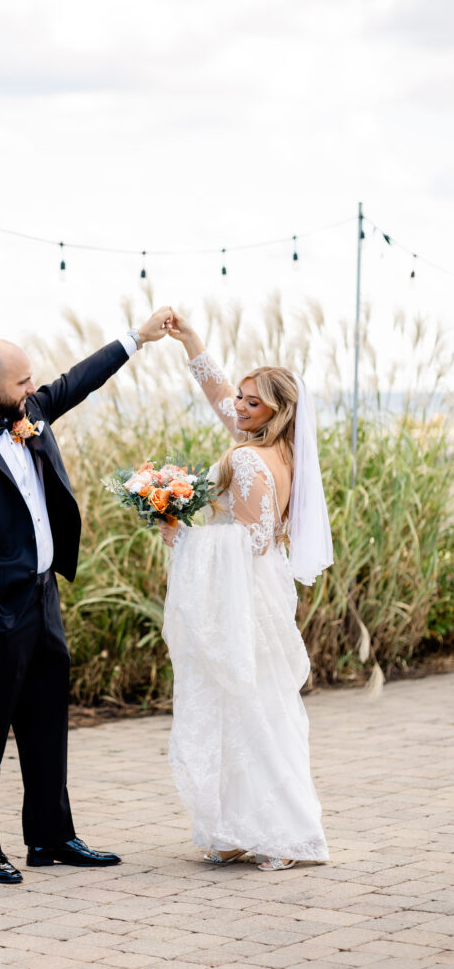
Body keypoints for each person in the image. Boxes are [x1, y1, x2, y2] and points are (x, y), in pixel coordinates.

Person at [0, 308, 171, 884]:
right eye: (22, 382)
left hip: (42, 597)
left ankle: (51, 838)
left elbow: (77, 382)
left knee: (46, 725)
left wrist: (138, 338)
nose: (34, 389)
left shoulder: (29, 413)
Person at [159, 310, 333, 871]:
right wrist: (191, 343)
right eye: (241, 396)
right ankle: (240, 826)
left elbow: (250, 540)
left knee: (250, 705)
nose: (238, 405)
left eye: (251, 401)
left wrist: (181, 535)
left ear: (278, 412)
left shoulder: (246, 458)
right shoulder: (282, 451)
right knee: (257, 704)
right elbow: (218, 395)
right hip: (265, 591)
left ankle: (278, 830)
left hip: (244, 594)